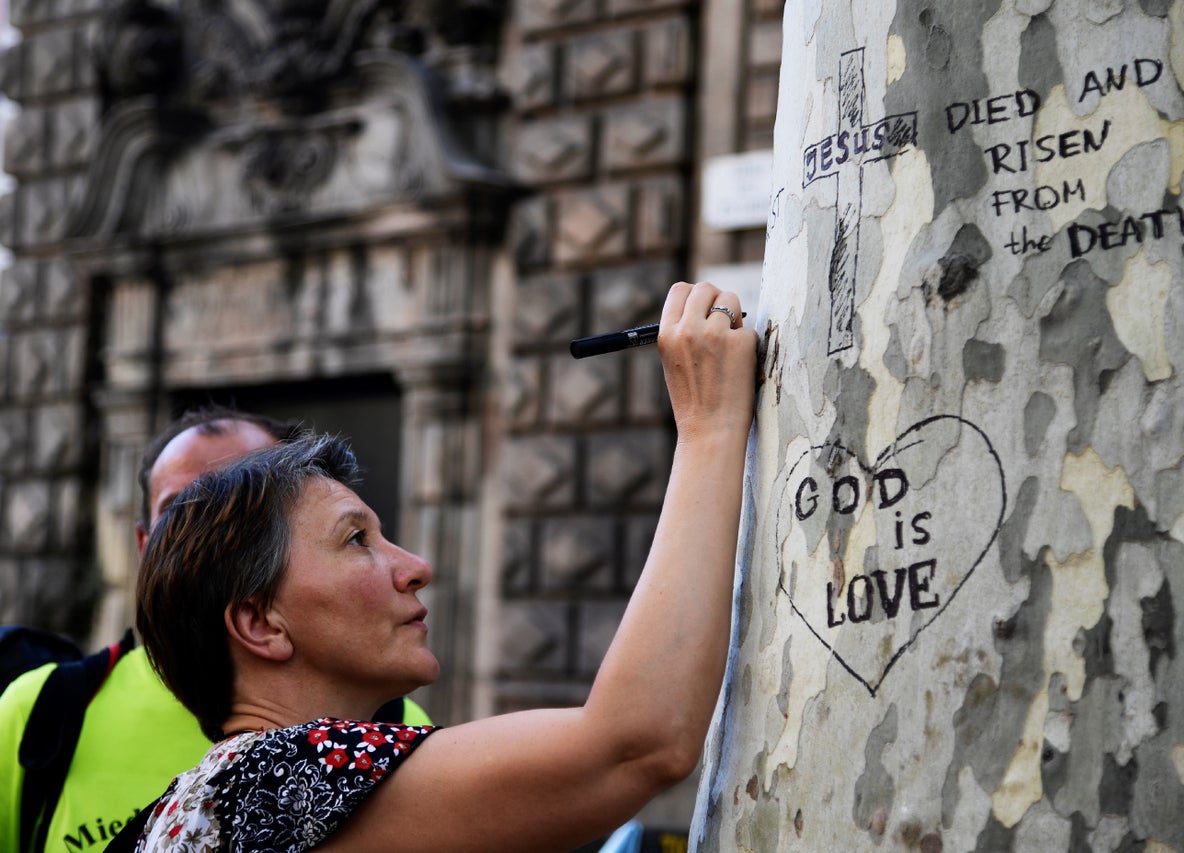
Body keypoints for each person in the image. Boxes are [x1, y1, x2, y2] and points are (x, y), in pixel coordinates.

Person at [123, 281, 758, 852]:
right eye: (355, 541)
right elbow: (634, 745)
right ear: (260, 623)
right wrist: (710, 423)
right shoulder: (281, 777)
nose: (416, 566)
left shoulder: (198, 803)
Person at [0, 406, 431, 853]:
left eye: (254, 491)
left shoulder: (397, 720)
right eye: (184, 514)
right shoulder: (45, 709)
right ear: (148, 547)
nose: (219, 532)